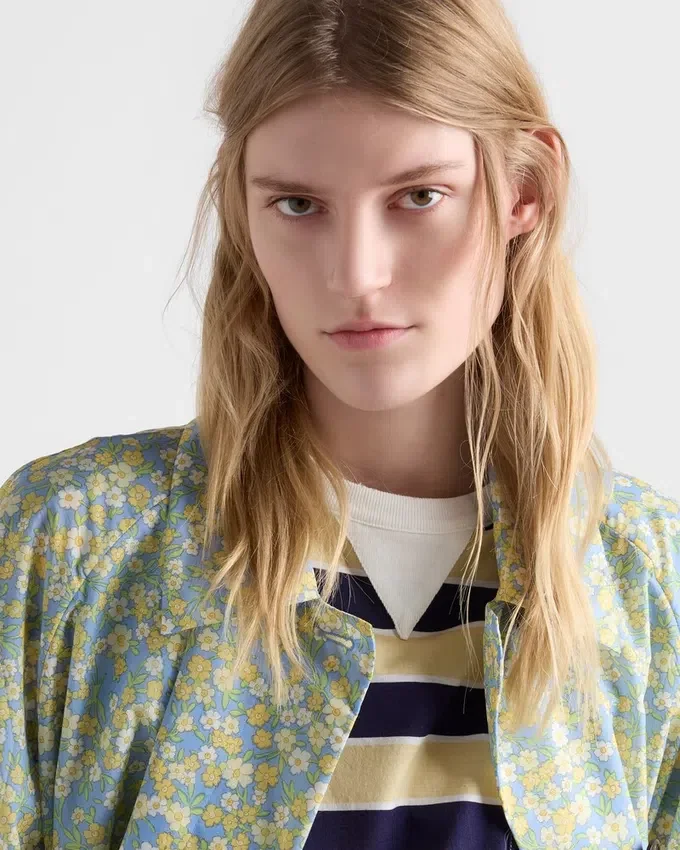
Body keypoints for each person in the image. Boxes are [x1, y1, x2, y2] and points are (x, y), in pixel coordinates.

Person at [0, 0, 677, 847]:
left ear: (525, 190)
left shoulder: (645, 581)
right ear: (242, 207)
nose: (357, 274)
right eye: (297, 205)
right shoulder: (72, 550)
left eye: (419, 196)